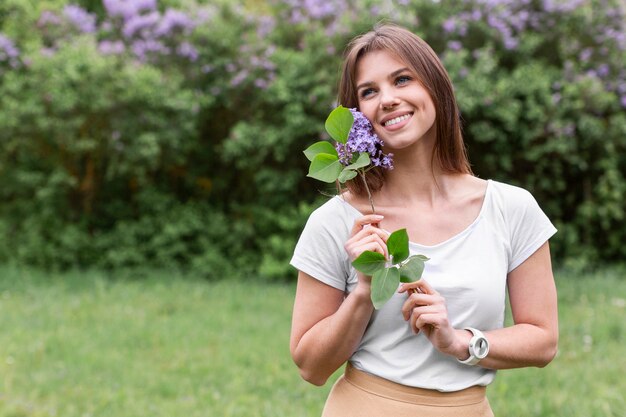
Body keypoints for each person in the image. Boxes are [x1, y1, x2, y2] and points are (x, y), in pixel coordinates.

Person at [289, 23, 558, 417]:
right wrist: (364, 291)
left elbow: (543, 340)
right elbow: (310, 367)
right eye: (369, 91)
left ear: (434, 86)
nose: (388, 99)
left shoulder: (511, 208)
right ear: (356, 117)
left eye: (402, 79)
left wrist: (460, 342)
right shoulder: (336, 222)